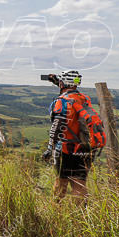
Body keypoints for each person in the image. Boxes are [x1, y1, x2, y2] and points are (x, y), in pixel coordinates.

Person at [42, 70, 93, 201]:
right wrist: (57, 82)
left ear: (63, 83)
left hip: (65, 149)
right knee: (80, 184)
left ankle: (56, 213)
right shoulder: (84, 99)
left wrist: (49, 149)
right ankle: (81, 217)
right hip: (84, 148)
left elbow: (56, 126)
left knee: (61, 183)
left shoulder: (62, 101)